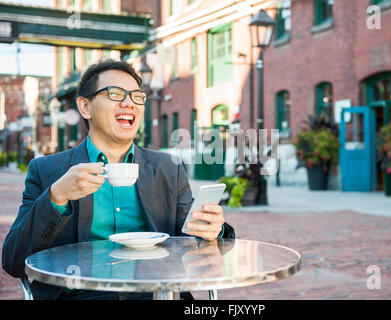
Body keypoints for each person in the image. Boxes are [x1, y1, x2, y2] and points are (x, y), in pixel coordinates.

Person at [2, 60, 234, 300]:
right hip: (80, 295)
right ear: (85, 107)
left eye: (137, 96)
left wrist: (213, 229)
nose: (129, 103)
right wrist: (56, 197)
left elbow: (192, 240)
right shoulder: (48, 170)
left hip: (156, 292)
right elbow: (14, 261)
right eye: (115, 94)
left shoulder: (168, 168)